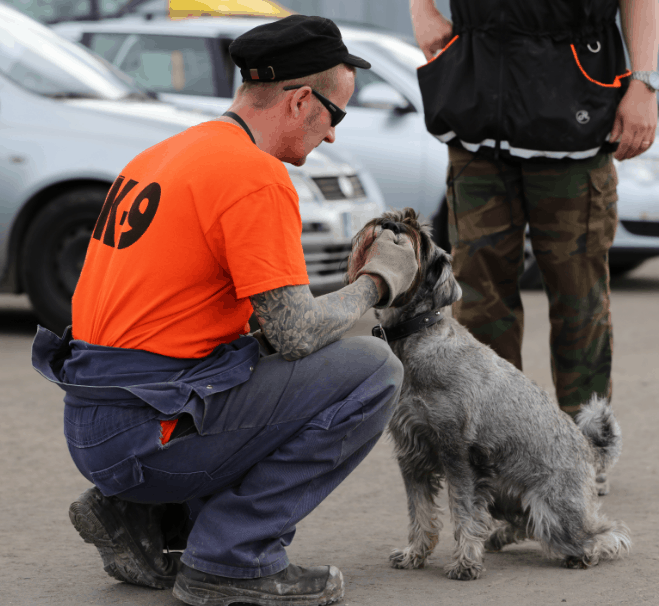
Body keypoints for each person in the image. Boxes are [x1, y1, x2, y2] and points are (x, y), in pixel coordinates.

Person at [31, 15, 418, 606]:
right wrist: (377, 284)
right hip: (146, 431)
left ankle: (146, 520)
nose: (333, 136)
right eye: (335, 116)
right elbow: (294, 332)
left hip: (97, 423)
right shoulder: (254, 176)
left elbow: (247, 329)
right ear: (298, 102)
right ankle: (231, 560)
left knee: (260, 361)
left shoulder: (165, 154)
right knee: (371, 369)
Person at [410, 0, 659, 417]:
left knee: (579, 296)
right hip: (477, 117)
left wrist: (645, 82)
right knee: (477, 298)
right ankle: (498, 442)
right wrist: (421, 9)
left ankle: (585, 443)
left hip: (575, 114)